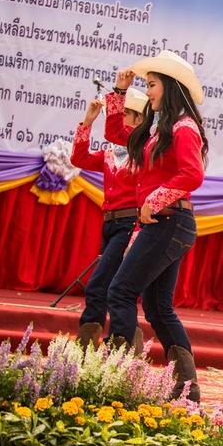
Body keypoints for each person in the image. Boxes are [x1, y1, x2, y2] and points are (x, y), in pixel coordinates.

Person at [105, 51, 208, 402]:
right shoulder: (158, 129)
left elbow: (193, 174)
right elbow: (118, 134)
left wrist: (155, 199)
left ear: (170, 86)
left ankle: (117, 379)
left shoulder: (184, 127)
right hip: (167, 223)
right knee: (158, 308)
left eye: (151, 85)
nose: (147, 91)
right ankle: (187, 391)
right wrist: (119, 93)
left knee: (120, 291)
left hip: (170, 222)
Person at [70, 89, 148, 351]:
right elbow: (78, 158)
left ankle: (100, 347)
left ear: (138, 119)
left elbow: (146, 195)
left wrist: (137, 232)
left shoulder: (143, 153)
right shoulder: (108, 154)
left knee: (100, 285)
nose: (118, 117)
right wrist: (87, 123)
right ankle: (122, 342)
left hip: (129, 224)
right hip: (110, 224)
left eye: (125, 113)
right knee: (112, 286)